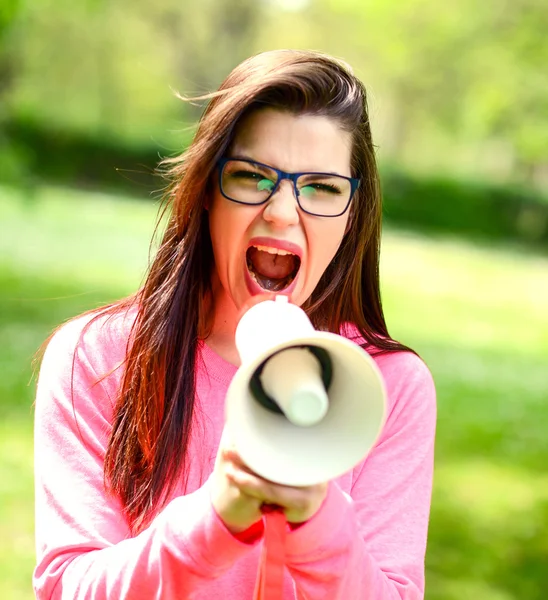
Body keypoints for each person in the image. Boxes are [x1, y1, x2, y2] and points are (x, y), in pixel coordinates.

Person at [33, 49, 436, 599]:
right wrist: (218, 512)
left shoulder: (389, 387)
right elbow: (67, 589)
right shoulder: (98, 360)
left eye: (322, 187)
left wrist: (317, 521)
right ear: (205, 190)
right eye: (251, 176)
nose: (283, 212)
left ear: (352, 215)